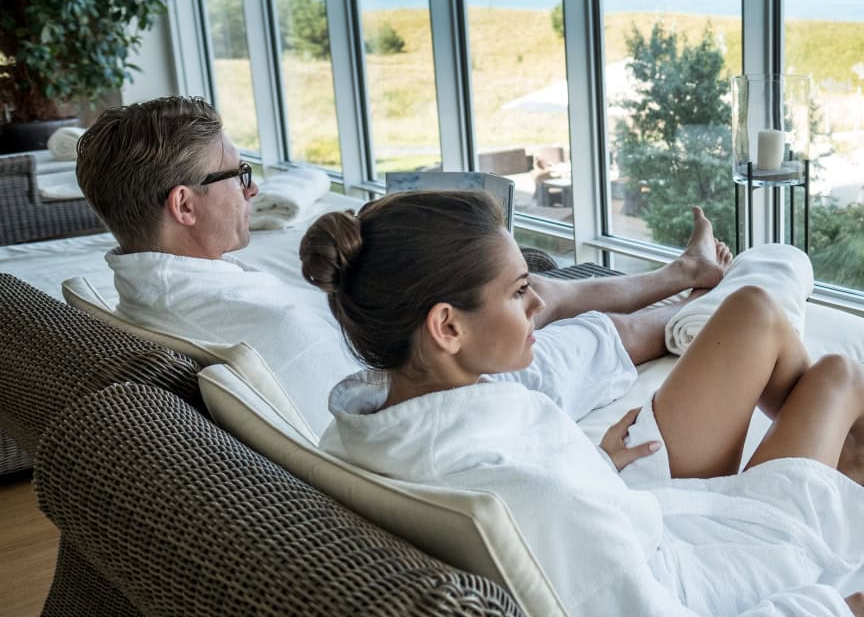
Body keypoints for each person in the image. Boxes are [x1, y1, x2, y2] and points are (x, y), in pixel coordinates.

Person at [300, 189, 864, 617]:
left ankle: (856, 454)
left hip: (629, 508)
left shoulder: (371, 430)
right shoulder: (525, 493)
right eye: (522, 292)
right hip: (710, 570)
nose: (539, 305)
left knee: (755, 317)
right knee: (835, 378)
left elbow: (531, 513)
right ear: (446, 325)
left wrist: (593, 463)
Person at [72, 95, 730, 432]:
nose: (250, 188)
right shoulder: (275, 331)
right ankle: (697, 299)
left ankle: (680, 276)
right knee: (594, 326)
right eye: (236, 173)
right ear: (184, 205)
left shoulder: (142, 297)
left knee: (539, 290)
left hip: (428, 352)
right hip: (462, 390)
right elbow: (389, 412)